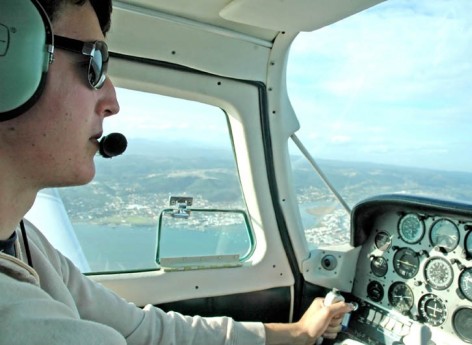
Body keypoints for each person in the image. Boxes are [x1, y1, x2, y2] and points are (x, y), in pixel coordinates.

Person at [0, 0, 352, 344]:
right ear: (9, 59)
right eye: (94, 62)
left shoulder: (26, 242)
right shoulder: (18, 323)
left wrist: (299, 333)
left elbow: (144, 330)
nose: (112, 101)